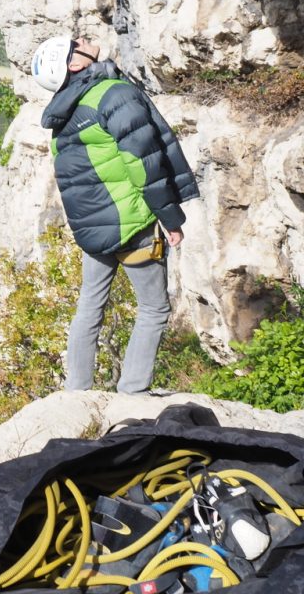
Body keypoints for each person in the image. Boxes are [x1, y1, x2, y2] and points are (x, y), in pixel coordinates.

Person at [31, 34, 199, 394]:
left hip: (93, 229)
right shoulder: (113, 94)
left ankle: (76, 392)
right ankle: (133, 393)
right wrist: (170, 218)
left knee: (90, 306)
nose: (86, 39)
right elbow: (144, 163)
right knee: (154, 309)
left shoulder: (65, 112)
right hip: (132, 223)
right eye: (77, 42)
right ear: (74, 63)